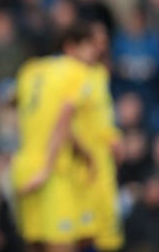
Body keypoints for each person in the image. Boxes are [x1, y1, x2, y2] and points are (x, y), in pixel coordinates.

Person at [10, 22, 96, 252]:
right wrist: (49, 167)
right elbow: (64, 120)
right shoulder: (77, 71)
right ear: (70, 47)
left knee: (34, 243)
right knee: (62, 243)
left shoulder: (28, 70)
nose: (95, 54)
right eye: (89, 47)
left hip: (25, 163)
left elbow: (10, 104)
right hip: (54, 170)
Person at [70, 21, 124, 252]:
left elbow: (104, 117)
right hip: (81, 165)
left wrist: (114, 140)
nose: (100, 47)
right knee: (81, 234)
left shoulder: (100, 74)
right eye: (95, 42)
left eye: (103, 42)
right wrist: (82, 150)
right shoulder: (69, 75)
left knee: (107, 234)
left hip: (103, 163)